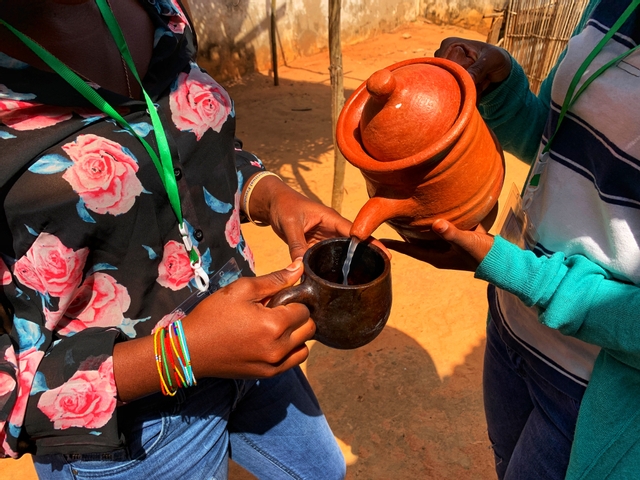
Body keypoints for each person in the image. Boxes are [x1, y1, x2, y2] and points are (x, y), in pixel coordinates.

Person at [0, 1, 350, 478]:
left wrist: (267, 193)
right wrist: (182, 353)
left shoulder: (159, 7)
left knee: (322, 471)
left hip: (247, 337)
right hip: (130, 433)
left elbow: (171, 144)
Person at [379, 0, 640, 478]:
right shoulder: (614, 7)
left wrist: (516, 270)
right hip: (512, 326)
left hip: (590, 384)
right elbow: (559, 143)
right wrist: (502, 89)